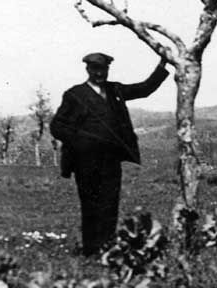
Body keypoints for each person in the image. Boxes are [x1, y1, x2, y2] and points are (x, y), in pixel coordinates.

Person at [50, 52, 169, 256]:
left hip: (111, 160)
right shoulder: (74, 95)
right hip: (84, 162)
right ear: (87, 70)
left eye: (103, 69)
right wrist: (81, 142)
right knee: (90, 204)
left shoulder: (115, 90)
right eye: (95, 70)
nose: (99, 73)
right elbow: (57, 126)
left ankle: (107, 247)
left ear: (107, 70)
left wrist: (163, 64)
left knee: (110, 204)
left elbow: (144, 89)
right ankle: (91, 250)